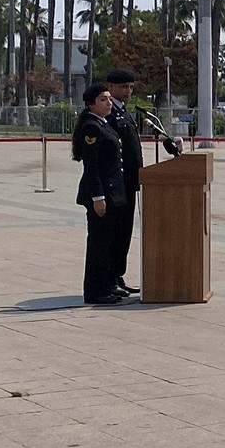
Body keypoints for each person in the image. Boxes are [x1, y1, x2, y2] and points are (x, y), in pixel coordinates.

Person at [73, 84, 128, 305]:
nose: (108, 103)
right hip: (101, 194)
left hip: (112, 193)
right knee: (98, 245)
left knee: (108, 244)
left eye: (109, 99)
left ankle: (106, 286)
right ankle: (95, 291)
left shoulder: (103, 124)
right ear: (91, 104)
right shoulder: (91, 128)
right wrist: (98, 197)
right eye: (103, 100)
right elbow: (91, 166)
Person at [105, 69, 143, 295]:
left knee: (125, 231)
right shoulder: (108, 112)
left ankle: (118, 274)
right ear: (110, 87)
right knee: (115, 231)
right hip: (117, 183)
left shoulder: (124, 111)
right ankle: (109, 278)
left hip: (130, 181)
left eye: (130, 87)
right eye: (123, 87)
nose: (128, 91)